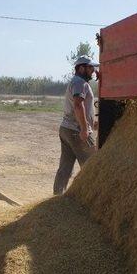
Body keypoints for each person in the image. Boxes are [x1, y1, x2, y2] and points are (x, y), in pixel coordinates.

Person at [53, 55, 99, 195]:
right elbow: (78, 105)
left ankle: (58, 195)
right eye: (90, 67)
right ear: (81, 68)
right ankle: (88, 198)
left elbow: (81, 106)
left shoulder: (76, 81)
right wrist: (85, 129)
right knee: (93, 166)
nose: (93, 70)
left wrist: (91, 122)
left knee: (65, 167)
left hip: (66, 129)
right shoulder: (80, 83)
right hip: (77, 131)